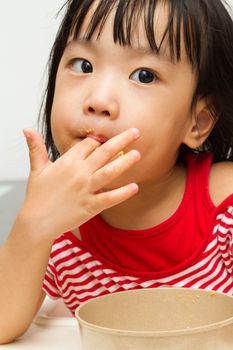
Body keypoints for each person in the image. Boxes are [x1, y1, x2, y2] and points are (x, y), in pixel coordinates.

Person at [1, 0, 233, 344]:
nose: (99, 99)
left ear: (197, 122)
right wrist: (34, 225)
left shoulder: (224, 204)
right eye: (83, 65)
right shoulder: (60, 225)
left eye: (144, 75)